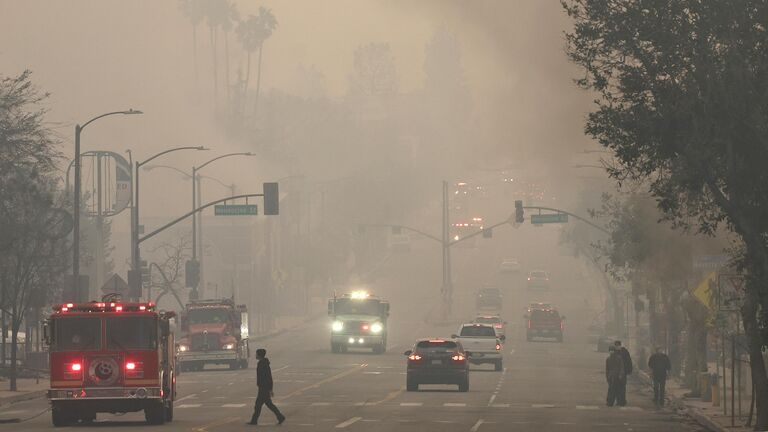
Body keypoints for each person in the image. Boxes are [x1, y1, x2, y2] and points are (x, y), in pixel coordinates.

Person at [248, 349, 286, 426]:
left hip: (263, 388)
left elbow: (268, 377)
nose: (255, 355)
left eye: (256, 354)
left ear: (259, 355)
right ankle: (280, 416)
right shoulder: (263, 363)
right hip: (263, 387)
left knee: (260, 404)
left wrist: (270, 389)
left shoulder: (263, 364)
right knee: (267, 404)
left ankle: (254, 420)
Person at [614, 340, 632, 405]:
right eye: (616, 346)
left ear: (620, 345)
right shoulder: (614, 353)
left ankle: (623, 400)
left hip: (623, 373)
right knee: (616, 387)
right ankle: (618, 401)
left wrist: (629, 370)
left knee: (622, 387)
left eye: (618, 346)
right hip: (616, 373)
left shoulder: (625, 352)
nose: (617, 347)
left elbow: (629, 361)